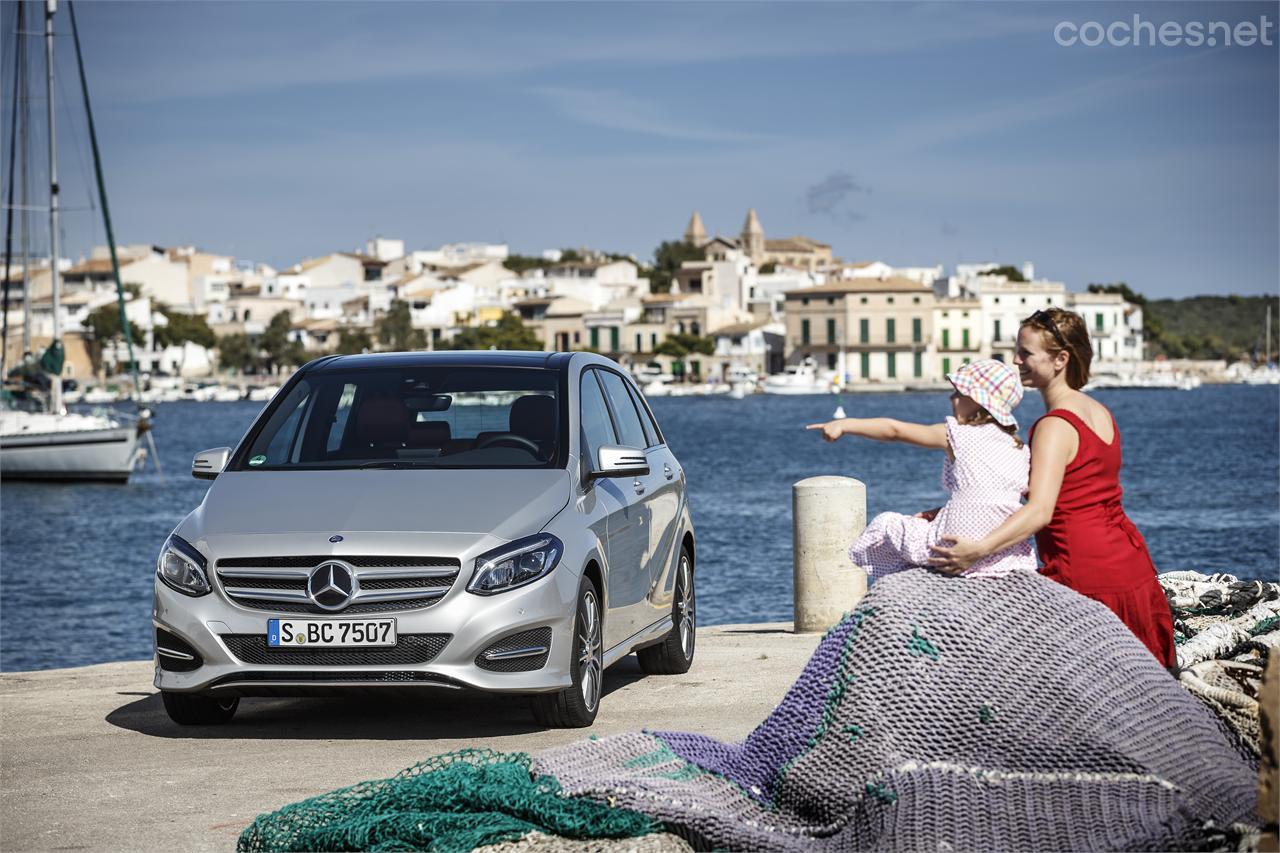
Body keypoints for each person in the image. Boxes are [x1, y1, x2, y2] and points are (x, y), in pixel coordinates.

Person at [928, 308, 1176, 668]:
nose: (1015, 360)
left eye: (1026, 352)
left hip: (1083, 574)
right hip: (1130, 566)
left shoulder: (1053, 426)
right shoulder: (1098, 411)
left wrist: (977, 550)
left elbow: (1040, 511)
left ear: (1060, 359)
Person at [807, 359, 1036, 580]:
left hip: (952, 542)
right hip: (1000, 550)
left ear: (977, 400)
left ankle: (907, 585)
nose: (951, 397)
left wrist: (844, 425)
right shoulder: (1020, 449)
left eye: (958, 393)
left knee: (888, 525)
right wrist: (941, 511)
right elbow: (986, 497)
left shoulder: (956, 434)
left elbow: (895, 430)